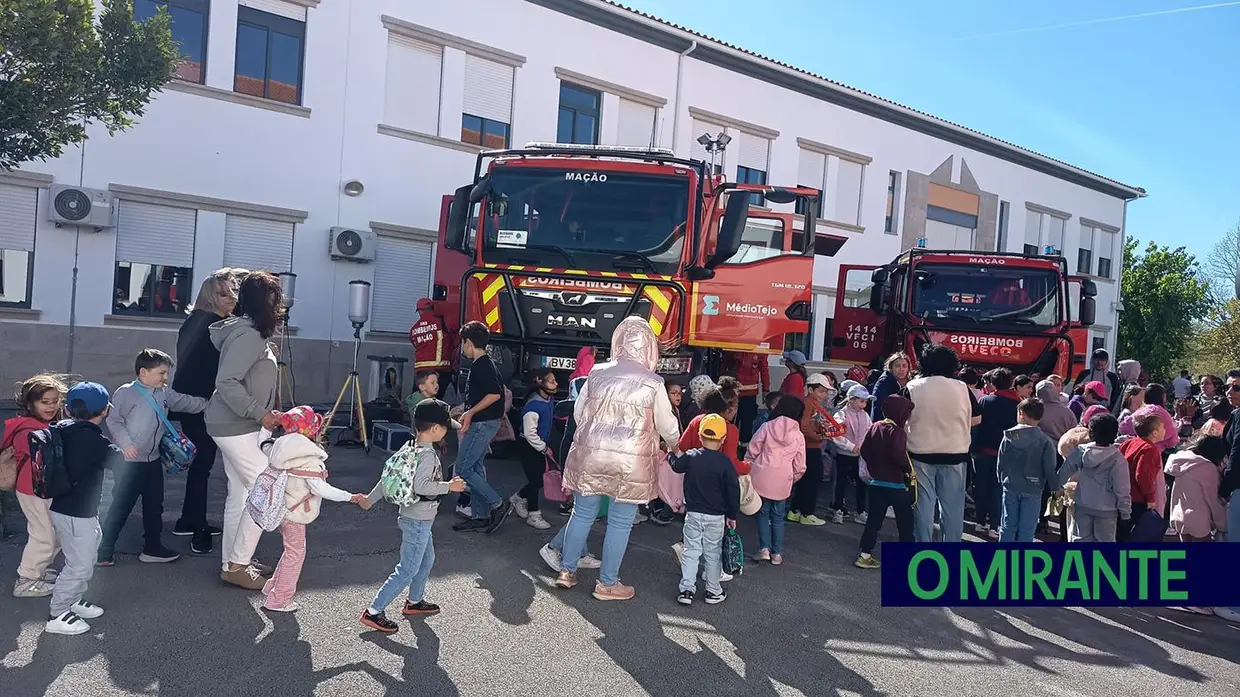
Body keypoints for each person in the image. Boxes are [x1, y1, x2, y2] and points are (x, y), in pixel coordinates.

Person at [550, 317, 681, 601]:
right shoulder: (653, 382)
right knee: (620, 522)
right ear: (648, 347)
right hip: (631, 462)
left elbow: (579, 413)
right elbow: (667, 425)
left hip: (591, 455)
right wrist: (674, 445)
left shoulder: (596, 373)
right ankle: (608, 583)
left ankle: (566, 571)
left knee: (582, 513)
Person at [206, 270, 284, 590]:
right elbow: (226, 381)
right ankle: (238, 563)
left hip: (236, 424)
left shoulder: (249, 333)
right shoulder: (249, 335)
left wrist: (263, 413)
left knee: (240, 495)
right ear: (265, 302)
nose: (280, 304)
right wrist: (259, 412)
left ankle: (233, 563)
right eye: (276, 298)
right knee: (266, 489)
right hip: (236, 425)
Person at [360, 399, 466, 633]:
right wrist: (449, 486)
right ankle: (374, 611)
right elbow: (423, 487)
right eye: (446, 427)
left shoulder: (410, 447)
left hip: (415, 519)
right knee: (407, 569)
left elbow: (389, 478)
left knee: (426, 560)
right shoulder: (427, 455)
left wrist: (370, 499)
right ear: (436, 429)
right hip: (418, 520)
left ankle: (415, 601)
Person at [98, 349, 209, 566]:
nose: (165, 378)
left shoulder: (164, 393)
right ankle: (104, 550)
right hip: (129, 463)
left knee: (154, 505)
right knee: (121, 506)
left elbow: (186, 402)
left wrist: (211, 404)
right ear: (143, 372)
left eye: (167, 373)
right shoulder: (125, 393)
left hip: (153, 460)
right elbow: (115, 421)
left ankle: (152, 547)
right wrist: (126, 444)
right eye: (161, 373)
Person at [259, 407, 369, 612]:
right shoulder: (309, 458)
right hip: (295, 514)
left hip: (279, 511)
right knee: (296, 554)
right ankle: (279, 599)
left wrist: (266, 430)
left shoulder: (279, 447)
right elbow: (321, 488)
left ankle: (272, 587)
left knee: (290, 550)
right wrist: (351, 497)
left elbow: (262, 444)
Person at [171, 268, 246, 555]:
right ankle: (197, 528)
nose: (230, 299)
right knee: (203, 465)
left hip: (194, 402)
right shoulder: (214, 324)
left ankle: (189, 519)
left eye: (233, 293)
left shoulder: (197, 321)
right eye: (222, 294)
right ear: (209, 296)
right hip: (201, 403)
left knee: (201, 465)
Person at [44, 382, 120, 635]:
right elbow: (116, 459)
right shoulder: (91, 438)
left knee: (86, 553)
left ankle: (74, 599)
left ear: (66, 409)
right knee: (79, 564)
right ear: (105, 410)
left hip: (70, 508)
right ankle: (58, 612)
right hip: (76, 513)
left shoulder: (63, 430)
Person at [904, 344, 979, 543]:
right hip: (956, 452)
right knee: (953, 507)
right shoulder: (962, 387)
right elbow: (978, 417)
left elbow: (902, 419)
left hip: (920, 452)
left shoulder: (912, 387)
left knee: (923, 505)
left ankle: (923, 547)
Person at [6, 374, 67, 598]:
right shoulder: (29, 430)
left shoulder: (43, 425)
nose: (51, 406)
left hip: (43, 488)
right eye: (45, 402)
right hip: (33, 490)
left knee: (57, 532)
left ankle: (38, 570)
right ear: (31, 403)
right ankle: (27, 580)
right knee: (44, 535)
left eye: (55, 401)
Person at [671, 415, 740, 606]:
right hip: (716, 516)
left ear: (700, 436)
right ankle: (713, 590)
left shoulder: (692, 456)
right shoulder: (725, 463)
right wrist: (732, 515)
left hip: (693, 513)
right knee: (713, 553)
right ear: (723, 439)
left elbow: (676, 466)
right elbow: (733, 492)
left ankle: (686, 589)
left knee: (691, 550)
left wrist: (670, 454)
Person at [451, 321, 511, 533]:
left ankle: (497, 504)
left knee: (464, 468)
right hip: (484, 422)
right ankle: (480, 516)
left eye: (463, 343)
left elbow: (494, 394)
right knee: (475, 467)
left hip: (482, 423)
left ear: (468, 342)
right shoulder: (487, 363)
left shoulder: (481, 365)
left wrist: (470, 412)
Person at [855, 395, 916, 569]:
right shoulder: (897, 431)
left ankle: (864, 555)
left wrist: (876, 466)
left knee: (874, 520)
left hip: (876, 483)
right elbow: (898, 455)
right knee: (905, 521)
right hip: (895, 484)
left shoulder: (875, 426)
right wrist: (908, 469)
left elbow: (865, 451)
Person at [746, 395, 805, 566]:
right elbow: (800, 464)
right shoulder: (798, 435)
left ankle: (764, 549)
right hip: (783, 477)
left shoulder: (767, 426)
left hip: (762, 474)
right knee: (778, 516)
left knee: (763, 513)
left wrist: (748, 465)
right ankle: (777, 553)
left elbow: (753, 448)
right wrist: (793, 477)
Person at [1058, 413, 1130, 542]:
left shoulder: (1080, 451)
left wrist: (1056, 488)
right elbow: (1122, 488)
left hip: (1082, 504)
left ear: (1090, 433)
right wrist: (1125, 513)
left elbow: (1064, 473)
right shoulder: (1118, 459)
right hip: (1107, 510)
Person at [997, 398, 1058, 542]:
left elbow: (1001, 462)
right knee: (1027, 529)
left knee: (1007, 525)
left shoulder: (1008, 436)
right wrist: (1055, 488)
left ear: (1021, 413)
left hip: (1011, 485)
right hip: (1034, 488)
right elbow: (1049, 468)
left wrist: (1001, 479)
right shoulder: (1045, 441)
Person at [786, 374, 839, 526]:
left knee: (805, 480)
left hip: (808, 446)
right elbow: (804, 426)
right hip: (810, 447)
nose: (824, 394)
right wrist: (819, 436)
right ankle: (807, 513)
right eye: (821, 391)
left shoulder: (810, 403)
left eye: (825, 391)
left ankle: (795, 511)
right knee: (814, 480)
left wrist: (818, 429)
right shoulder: (809, 404)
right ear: (811, 389)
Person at [972, 368, 1020, 536]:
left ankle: (979, 521)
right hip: (1006, 452)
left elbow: (977, 426)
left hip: (984, 449)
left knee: (981, 486)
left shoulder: (985, 401)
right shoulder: (1017, 404)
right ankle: (994, 524)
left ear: (992, 383)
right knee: (998, 489)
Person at [512, 368, 556, 531]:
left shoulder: (547, 400)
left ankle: (518, 498)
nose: (556, 384)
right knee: (536, 480)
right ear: (539, 383)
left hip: (537, 446)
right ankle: (534, 514)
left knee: (537, 479)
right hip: (529, 447)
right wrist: (544, 448)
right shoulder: (533, 407)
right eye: (552, 381)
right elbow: (530, 434)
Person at [1164, 435, 1228, 543]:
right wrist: (1223, 524)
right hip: (1199, 521)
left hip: (1178, 516)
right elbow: (1213, 500)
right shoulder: (1207, 468)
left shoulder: (1181, 462)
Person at [830, 384, 873, 525]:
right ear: (851, 400)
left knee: (862, 484)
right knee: (841, 484)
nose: (864, 404)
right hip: (844, 455)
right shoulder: (841, 414)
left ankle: (861, 511)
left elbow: (869, 432)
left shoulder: (865, 416)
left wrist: (866, 447)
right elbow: (835, 434)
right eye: (861, 401)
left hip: (860, 456)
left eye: (866, 401)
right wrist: (850, 446)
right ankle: (838, 509)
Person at [410, 299, 453, 398]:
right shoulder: (442, 321)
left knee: (418, 400)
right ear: (432, 308)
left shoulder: (414, 329)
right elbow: (453, 338)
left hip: (420, 371)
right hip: (440, 369)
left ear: (420, 311)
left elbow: (415, 344)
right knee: (435, 401)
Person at [1119, 385, 1180, 453]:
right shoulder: (1163, 413)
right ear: (1162, 397)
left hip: (1137, 449)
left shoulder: (1140, 411)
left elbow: (1123, 428)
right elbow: (1172, 441)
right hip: (1155, 452)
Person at [727, 351, 770, 442]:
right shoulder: (759, 350)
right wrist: (765, 389)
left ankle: (739, 445)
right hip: (742, 393)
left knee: (739, 422)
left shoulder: (759, 350)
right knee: (744, 422)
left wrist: (766, 389)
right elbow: (764, 369)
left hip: (739, 393)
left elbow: (764, 369)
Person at [869, 352, 911, 422]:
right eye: (897, 366)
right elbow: (878, 407)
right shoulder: (884, 382)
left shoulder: (910, 383)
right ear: (891, 368)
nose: (901, 369)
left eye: (904, 366)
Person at [1036, 379, 1077, 445]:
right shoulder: (1067, 412)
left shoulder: (1034, 411)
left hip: (1042, 449)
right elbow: (1074, 433)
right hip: (1063, 449)